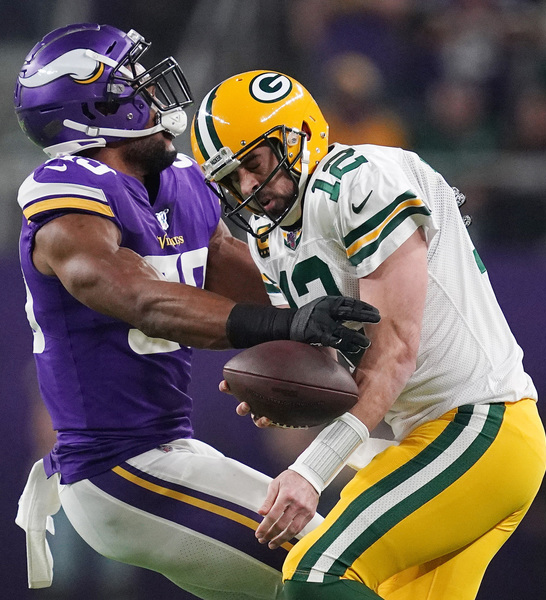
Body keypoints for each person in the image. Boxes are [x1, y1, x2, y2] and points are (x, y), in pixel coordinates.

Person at [13, 26, 381, 600]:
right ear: (95, 112)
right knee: (331, 570)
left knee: (326, 575)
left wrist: (350, 300)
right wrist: (285, 325)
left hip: (168, 451)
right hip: (117, 467)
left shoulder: (180, 181)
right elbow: (142, 300)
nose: (156, 99)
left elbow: (255, 285)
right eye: (136, 88)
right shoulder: (68, 195)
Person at [190, 70, 546, 600]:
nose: (246, 188)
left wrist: (310, 471)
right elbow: (331, 367)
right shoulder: (270, 237)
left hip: (480, 426)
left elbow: (396, 351)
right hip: (427, 439)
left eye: (254, 165)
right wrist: (284, 392)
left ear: (297, 137)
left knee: (315, 573)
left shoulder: (362, 179)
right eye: (230, 178)